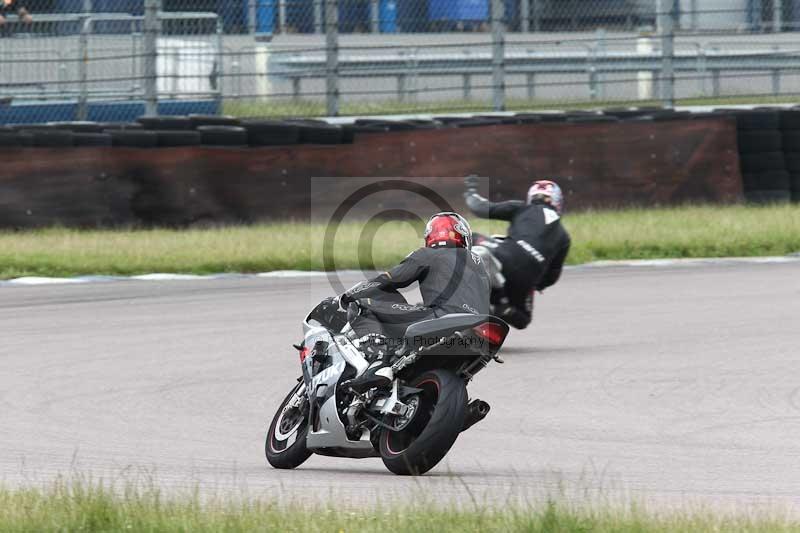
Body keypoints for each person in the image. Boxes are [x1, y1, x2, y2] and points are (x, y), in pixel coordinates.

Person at [339, 212, 491, 392]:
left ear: (430, 236)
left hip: (442, 318)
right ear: (464, 236)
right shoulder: (480, 263)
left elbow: (389, 280)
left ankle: (378, 365)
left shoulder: (428, 254)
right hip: (479, 328)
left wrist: (349, 295)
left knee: (363, 305)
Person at [463, 176, 571, 329]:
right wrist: (533, 285)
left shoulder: (522, 208)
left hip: (506, 258)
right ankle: (504, 306)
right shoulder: (564, 237)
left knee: (470, 237)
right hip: (527, 280)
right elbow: (551, 277)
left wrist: (470, 192)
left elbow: (480, 208)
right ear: (558, 202)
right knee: (523, 320)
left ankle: (479, 286)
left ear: (530, 197)